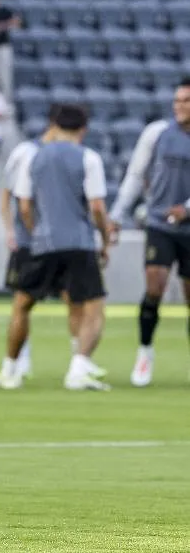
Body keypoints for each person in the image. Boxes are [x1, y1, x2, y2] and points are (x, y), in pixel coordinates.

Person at [0, 105, 112, 391]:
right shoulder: (88, 158)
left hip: (42, 243)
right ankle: (78, 368)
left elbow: (23, 204)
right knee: (92, 306)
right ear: (83, 129)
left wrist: (37, 232)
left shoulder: (34, 157)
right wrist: (105, 235)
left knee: (22, 305)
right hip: (78, 242)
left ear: (54, 125)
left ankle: (10, 370)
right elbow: (97, 207)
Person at [109, 79, 190, 387]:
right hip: (159, 224)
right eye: (178, 100)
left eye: (186, 100)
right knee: (154, 286)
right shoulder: (157, 133)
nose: (180, 105)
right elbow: (135, 174)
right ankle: (145, 351)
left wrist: (187, 208)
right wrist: (117, 215)